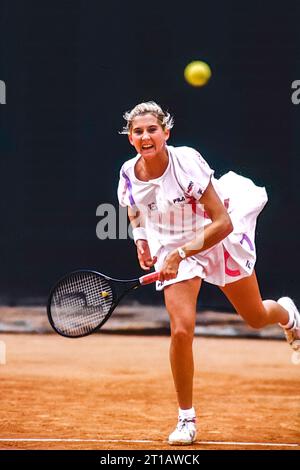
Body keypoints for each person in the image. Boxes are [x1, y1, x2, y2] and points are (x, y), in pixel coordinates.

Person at [117, 101, 300, 446]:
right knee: (181, 331)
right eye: (138, 131)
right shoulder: (128, 172)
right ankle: (186, 418)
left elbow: (223, 222)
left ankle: (288, 315)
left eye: (152, 129)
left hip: (214, 235)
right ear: (130, 138)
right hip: (171, 246)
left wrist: (183, 252)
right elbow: (133, 207)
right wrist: (142, 241)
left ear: (165, 133)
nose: (145, 136)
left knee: (257, 316)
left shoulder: (186, 161)